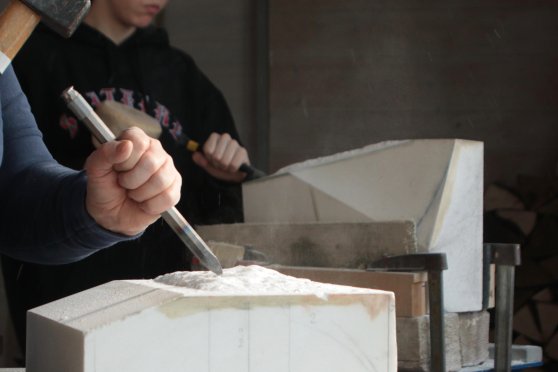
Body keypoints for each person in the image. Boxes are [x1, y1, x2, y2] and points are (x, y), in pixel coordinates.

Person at [3, 0, 252, 356]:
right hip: (60, 316)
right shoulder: (31, 55)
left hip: (170, 318)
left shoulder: (182, 74)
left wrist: (222, 179)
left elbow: (18, 184)